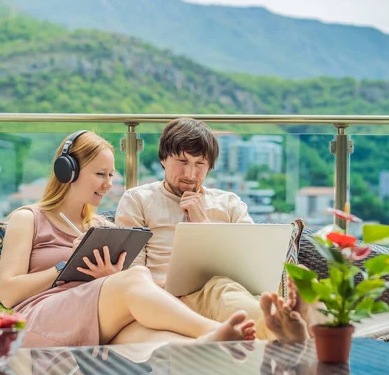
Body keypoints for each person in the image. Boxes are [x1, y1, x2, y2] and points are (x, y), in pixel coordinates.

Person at [0, 130, 257, 347]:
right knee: (136, 276)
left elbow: (109, 288)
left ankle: (212, 349)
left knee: (166, 343)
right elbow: (8, 294)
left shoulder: (99, 227)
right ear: (68, 171)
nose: (108, 184)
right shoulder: (29, 218)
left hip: (96, 317)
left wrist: (108, 276)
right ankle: (212, 331)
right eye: (100, 174)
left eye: (111, 175)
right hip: (39, 318)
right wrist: (66, 263)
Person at [115, 118, 323, 344]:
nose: (190, 173)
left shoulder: (229, 203)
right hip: (173, 299)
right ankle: (280, 325)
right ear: (163, 158)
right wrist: (159, 290)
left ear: (210, 166)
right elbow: (131, 274)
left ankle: (294, 321)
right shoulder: (138, 200)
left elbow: (254, 263)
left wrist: (202, 222)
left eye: (200, 164)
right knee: (220, 289)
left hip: (236, 290)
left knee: (234, 288)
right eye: (182, 161)